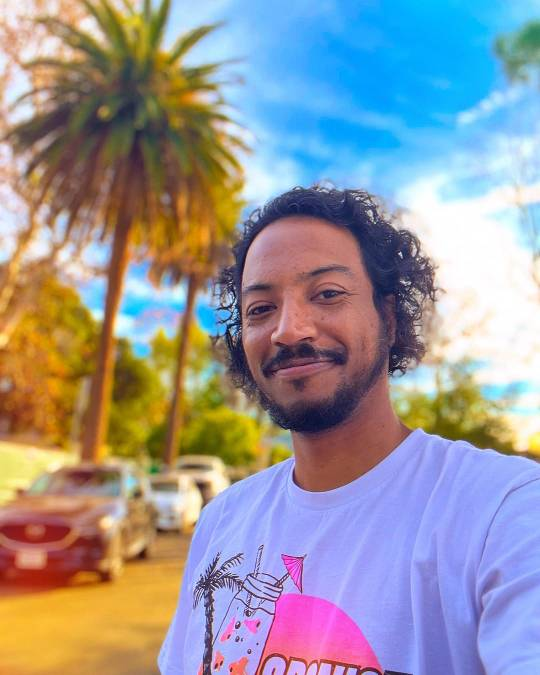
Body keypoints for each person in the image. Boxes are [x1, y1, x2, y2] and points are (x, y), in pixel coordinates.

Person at [159, 186, 540, 675]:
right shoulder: (221, 523)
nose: (288, 330)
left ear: (389, 316)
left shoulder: (501, 512)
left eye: (328, 294)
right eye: (260, 308)